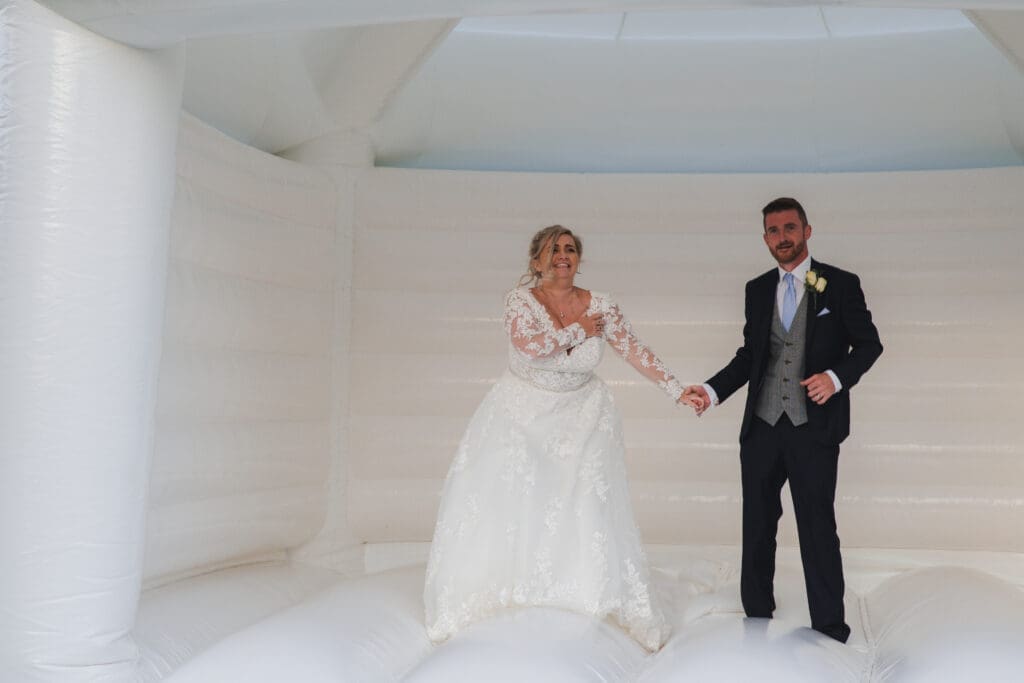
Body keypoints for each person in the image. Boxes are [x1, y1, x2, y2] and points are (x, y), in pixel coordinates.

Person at [424, 225, 702, 652]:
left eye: (570, 249)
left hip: (584, 415)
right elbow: (530, 346)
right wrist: (579, 329)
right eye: (553, 250)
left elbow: (634, 350)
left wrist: (675, 388)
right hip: (519, 414)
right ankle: (513, 592)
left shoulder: (601, 305)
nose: (563, 256)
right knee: (516, 500)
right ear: (536, 261)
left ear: (579, 258)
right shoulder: (518, 301)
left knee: (585, 504)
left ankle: (581, 593)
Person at [684, 197, 882, 643]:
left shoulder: (841, 284)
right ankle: (756, 619)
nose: (782, 237)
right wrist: (712, 391)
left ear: (807, 231)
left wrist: (835, 378)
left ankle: (830, 627)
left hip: (814, 428)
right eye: (773, 231)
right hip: (762, 426)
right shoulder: (757, 289)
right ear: (765, 238)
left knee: (817, 526)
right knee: (756, 524)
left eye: (790, 228)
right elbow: (750, 355)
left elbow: (869, 345)